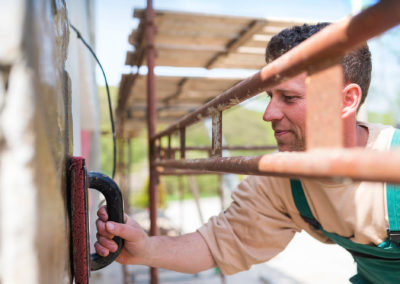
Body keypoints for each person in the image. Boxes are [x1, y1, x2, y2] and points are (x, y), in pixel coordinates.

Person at [95, 23, 400, 283]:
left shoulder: (392, 170)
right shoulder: (282, 177)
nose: (268, 114)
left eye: (289, 98)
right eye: (270, 96)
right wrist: (146, 248)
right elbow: (218, 243)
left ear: (345, 101)